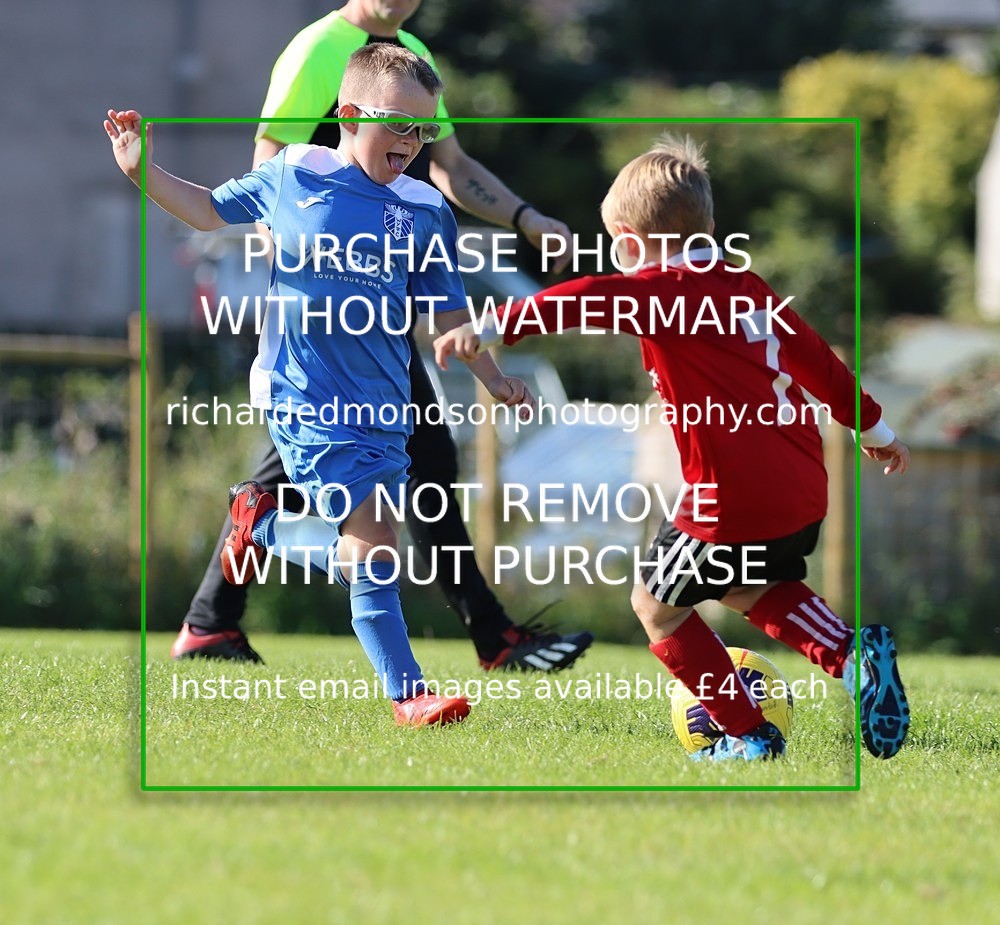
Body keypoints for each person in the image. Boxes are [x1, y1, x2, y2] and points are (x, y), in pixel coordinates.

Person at [435, 134, 911, 759]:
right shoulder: (749, 287)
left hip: (728, 498)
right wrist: (875, 430)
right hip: (801, 487)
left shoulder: (663, 289)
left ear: (630, 242)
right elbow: (821, 364)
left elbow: (585, 300)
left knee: (656, 607)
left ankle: (748, 735)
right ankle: (855, 659)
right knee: (747, 585)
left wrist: (490, 327)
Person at [105, 44, 538, 726]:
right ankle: (409, 695)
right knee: (374, 545)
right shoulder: (293, 174)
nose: (413, 141)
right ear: (347, 114)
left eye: (424, 129)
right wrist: (141, 171)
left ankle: (264, 524)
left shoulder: (424, 208)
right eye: (399, 123)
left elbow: (449, 315)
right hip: (303, 393)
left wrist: (491, 373)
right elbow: (206, 210)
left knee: (367, 550)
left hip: (386, 407)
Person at [171, 0, 594, 672]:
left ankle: (213, 614)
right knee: (413, 467)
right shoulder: (319, 50)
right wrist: (312, 278)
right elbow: (272, 159)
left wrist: (524, 215)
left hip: (380, 308)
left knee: (373, 470)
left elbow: (449, 166)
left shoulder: (410, 60)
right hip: (332, 317)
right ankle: (487, 635)